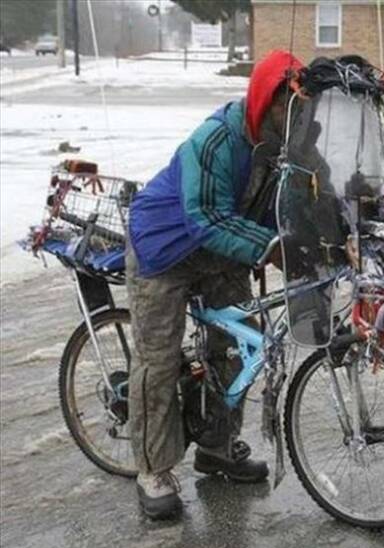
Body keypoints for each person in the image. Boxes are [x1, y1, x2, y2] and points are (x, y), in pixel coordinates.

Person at [125, 50, 303, 520]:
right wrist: (271, 247)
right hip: (165, 249)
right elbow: (205, 217)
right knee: (158, 361)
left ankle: (217, 447)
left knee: (241, 346)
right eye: (284, 108)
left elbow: (297, 202)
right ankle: (153, 470)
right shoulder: (215, 140)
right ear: (263, 101)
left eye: (298, 110)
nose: (292, 120)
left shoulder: (284, 148)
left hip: (223, 252)